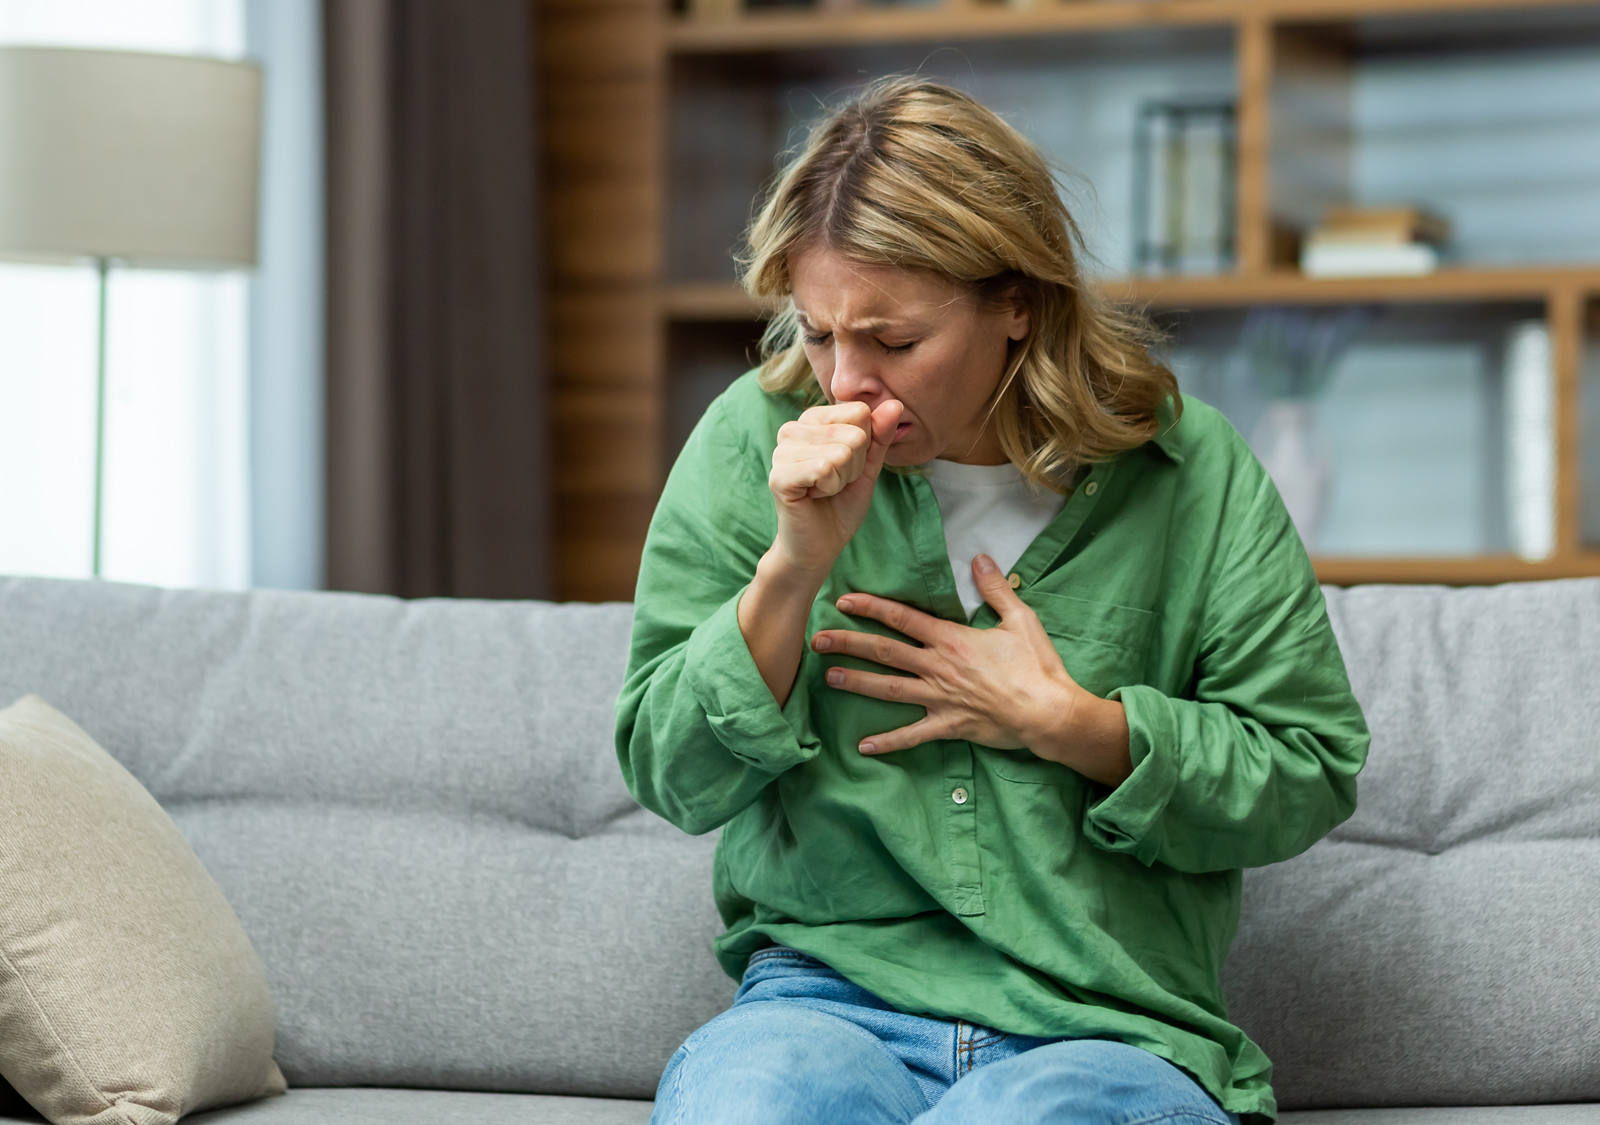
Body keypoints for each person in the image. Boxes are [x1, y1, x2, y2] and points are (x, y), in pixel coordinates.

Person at [614, 76, 1370, 1125]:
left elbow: (1307, 768)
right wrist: (790, 567)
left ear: (1016, 301)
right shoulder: (753, 439)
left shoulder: (1186, 473)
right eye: (820, 332)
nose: (844, 382)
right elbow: (668, 771)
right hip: (827, 1005)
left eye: (894, 339)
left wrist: (1079, 728)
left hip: (1104, 1022)